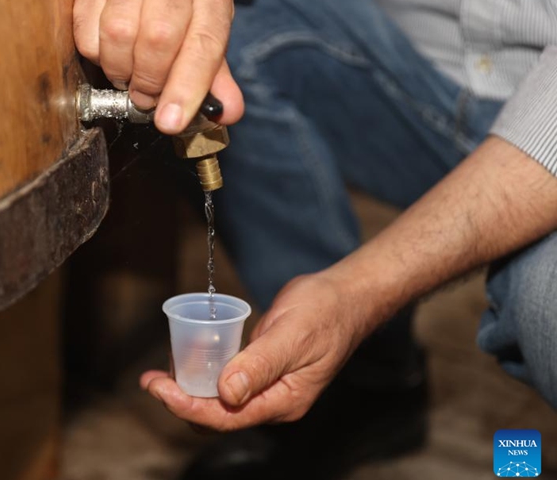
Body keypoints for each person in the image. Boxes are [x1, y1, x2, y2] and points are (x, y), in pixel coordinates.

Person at [73, 0, 557, 477]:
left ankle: (348, 345)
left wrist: (356, 294)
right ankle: (366, 381)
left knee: (545, 309)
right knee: (179, 54)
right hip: (417, 77)